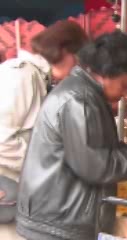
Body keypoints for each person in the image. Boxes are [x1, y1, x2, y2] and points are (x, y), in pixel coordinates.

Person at [16, 31, 127, 240]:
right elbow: (95, 166)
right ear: (107, 72)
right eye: (124, 86)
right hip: (58, 222)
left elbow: (96, 150)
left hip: (60, 215)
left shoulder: (86, 94)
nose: (125, 94)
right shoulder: (80, 100)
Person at [0, 20, 88, 238]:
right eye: (78, 60)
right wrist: (46, 165)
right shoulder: (22, 75)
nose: (78, 68)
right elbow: (2, 139)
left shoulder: (37, 77)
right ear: (65, 52)